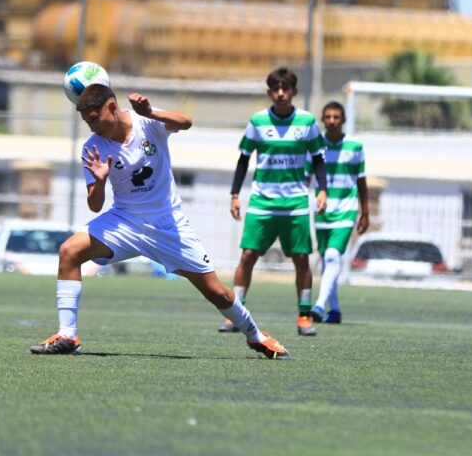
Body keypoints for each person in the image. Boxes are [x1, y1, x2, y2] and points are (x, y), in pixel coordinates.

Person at [30, 83, 291, 359]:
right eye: (86, 122)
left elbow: (187, 122)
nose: (92, 127)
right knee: (69, 251)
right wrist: (99, 181)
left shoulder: (146, 122)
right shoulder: (92, 148)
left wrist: (152, 111)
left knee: (218, 294)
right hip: (124, 221)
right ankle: (68, 335)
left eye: (94, 120)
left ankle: (255, 335)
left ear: (112, 107)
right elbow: (95, 206)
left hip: (167, 224)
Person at [221, 67, 328, 337]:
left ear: (293, 92)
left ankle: (304, 316)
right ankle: (236, 315)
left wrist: (323, 190)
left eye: (286, 88)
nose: (281, 93)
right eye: (276, 89)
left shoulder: (307, 122)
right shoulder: (257, 122)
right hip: (262, 202)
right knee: (247, 256)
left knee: (302, 259)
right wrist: (235, 194)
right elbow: (244, 160)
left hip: (295, 203)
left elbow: (318, 160)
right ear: (270, 92)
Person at [310, 101, 368, 324]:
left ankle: (318, 305)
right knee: (328, 261)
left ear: (343, 120)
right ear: (323, 120)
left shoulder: (355, 146)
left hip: (346, 211)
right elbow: (307, 176)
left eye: (336, 117)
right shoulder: (316, 147)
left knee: (333, 256)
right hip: (322, 211)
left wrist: (365, 212)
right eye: (328, 117)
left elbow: (361, 180)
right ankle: (334, 310)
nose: (332, 121)